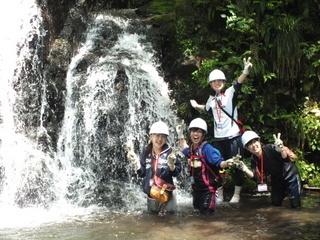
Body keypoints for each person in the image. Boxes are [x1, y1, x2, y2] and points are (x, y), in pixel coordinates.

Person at [189, 57, 253, 203]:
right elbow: (205, 109)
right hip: (219, 138)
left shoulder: (230, 93)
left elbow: (238, 83)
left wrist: (245, 71)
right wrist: (195, 105)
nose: (217, 83)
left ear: (223, 82)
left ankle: (236, 194)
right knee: (216, 165)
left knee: (237, 165)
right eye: (214, 81)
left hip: (233, 137)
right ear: (211, 84)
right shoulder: (210, 100)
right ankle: (220, 192)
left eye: (219, 81)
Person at [176, 118, 236, 215]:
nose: (195, 134)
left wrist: (227, 163)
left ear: (203, 134)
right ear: (190, 133)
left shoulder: (207, 149)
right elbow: (183, 147)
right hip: (196, 190)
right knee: (197, 213)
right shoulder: (191, 149)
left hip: (208, 191)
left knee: (207, 215)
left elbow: (219, 163)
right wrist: (180, 134)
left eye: (199, 131)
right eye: (193, 131)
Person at [126, 120, 182, 215]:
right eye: (156, 135)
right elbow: (142, 173)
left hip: (167, 194)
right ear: (151, 136)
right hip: (151, 194)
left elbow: (177, 172)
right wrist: (136, 163)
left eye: (163, 136)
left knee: (170, 219)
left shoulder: (170, 152)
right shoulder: (146, 152)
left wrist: (171, 166)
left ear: (166, 138)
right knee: (152, 220)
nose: (159, 139)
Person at [238, 130, 302, 208]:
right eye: (250, 144)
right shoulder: (254, 160)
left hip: (290, 176)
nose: (254, 145)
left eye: (255, 141)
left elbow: (285, 158)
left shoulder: (270, 148)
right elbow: (255, 176)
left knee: (296, 205)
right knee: (275, 203)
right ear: (247, 149)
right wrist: (244, 169)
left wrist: (281, 148)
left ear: (259, 141)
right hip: (277, 179)